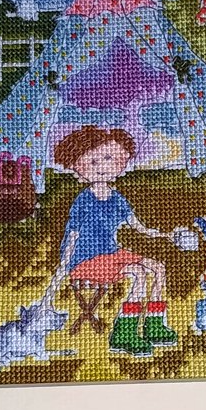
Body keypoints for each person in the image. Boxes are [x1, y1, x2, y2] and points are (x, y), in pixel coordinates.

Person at [47, 126, 181, 357]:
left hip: (111, 253)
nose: (102, 167)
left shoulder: (117, 198)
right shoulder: (84, 200)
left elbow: (138, 226)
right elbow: (73, 234)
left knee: (158, 268)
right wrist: (63, 266)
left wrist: (165, 235)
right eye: (92, 162)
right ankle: (124, 333)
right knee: (138, 273)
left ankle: (154, 325)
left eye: (109, 159)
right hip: (84, 259)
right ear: (77, 166)